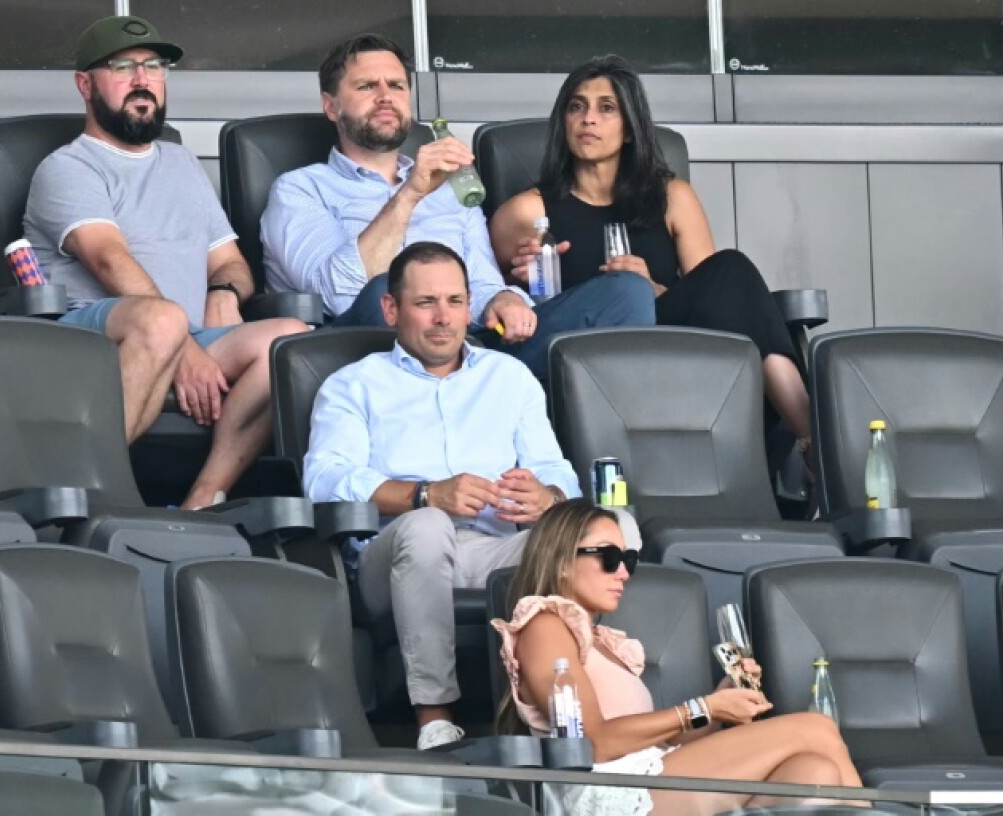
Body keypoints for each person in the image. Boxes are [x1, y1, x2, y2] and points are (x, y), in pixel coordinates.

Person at [303, 241, 642, 750]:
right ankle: (435, 718)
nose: (444, 318)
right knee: (426, 526)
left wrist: (545, 497)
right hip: (391, 554)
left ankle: (595, 702)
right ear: (391, 309)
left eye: (456, 302)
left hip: (495, 548)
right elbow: (326, 480)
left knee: (608, 533)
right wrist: (424, 495)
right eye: (426, 303)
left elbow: (557, 473)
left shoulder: (508, 378)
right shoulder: (354, 385)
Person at [24, 15, 309, 509]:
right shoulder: (67, 168)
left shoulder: (181, 164)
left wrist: (221, 294)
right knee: (163, 318)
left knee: (289, 341)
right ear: (84, 85)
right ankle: (90, 496)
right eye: (124, 67)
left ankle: (203, 500)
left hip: (182, 335)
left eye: (154, 67)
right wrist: (183, 348)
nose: (143, 80)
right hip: (92, 343)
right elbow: (111, 263)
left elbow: (231, 265)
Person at [260, 34, 655, 380]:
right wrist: (410, 195)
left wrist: (505, 300)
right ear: (331, 107)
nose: (385, 97)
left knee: (627, 293)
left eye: (396, 85)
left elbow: (481, 281)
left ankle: (614, 445)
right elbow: (337, 295)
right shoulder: (299, 189)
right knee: (393, 289)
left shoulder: (451, 189)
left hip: (476, 345)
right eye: (366, 86)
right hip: (375, 351)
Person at [489, 54, 812, 458]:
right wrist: (522, 277)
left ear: (629, 130)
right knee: (627, 292)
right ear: (564, 122)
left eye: (606, 108)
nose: (588, 119)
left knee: (732, 269)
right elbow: (494, 307)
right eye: (577, 106)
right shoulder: (526, 211)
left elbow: (715, 299)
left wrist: (655, 288)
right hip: (583, 353)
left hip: (669, 348)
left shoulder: (673, 197)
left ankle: (811, 438)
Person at [492, 499, 863, 816]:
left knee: (815, 772)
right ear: (561, 561)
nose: (623, 572)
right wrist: (706, 707)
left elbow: (659, 745)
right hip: (602, 791)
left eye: (629, 560)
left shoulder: (604, 642)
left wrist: (721, 700)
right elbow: (594, 742)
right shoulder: (544, 622)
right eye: (608, 557)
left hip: (645, 777)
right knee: (817, 729)